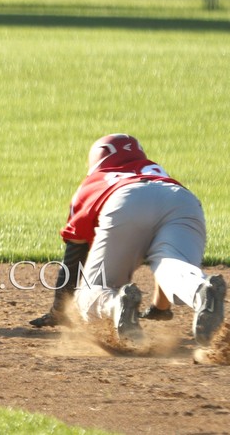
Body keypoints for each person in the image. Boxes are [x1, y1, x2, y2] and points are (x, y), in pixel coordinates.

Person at [30, 134, 224, 345]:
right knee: (172, 265)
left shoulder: (94, 181)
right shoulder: (156, 171)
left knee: (90, 292)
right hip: (183, 200)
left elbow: (74, 256)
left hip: (126, 199)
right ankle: (200, 289)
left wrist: (60, 310)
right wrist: (160, 308)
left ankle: (117, 305)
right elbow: (160, 262)